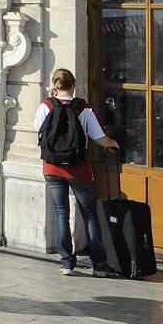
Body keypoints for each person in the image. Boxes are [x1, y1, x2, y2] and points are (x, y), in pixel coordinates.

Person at [35, 67, 120, 276]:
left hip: (52, 167)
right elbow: (100, 138)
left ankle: (66, 263)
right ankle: (99, 265)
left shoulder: (45, 106)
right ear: (74, 85)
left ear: (54, 85)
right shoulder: (83, 108)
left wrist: (50, 97)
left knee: (61, 213)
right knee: (89, 215)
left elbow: (37, 128)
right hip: (78, 169)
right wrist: (114, 144)